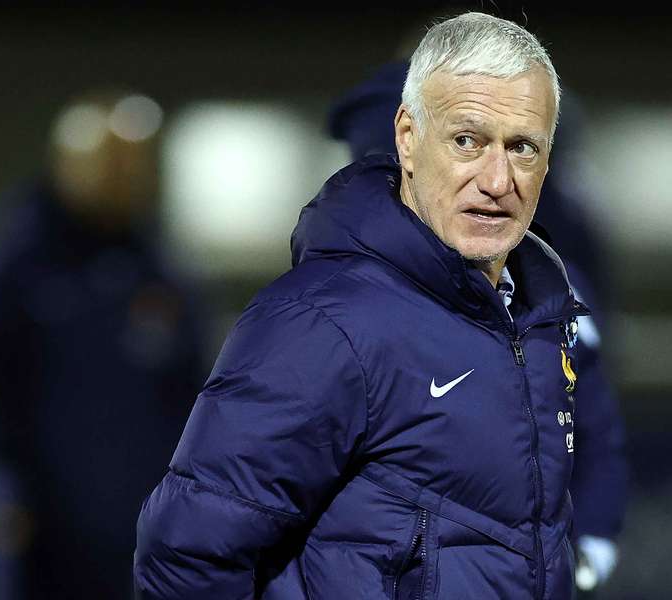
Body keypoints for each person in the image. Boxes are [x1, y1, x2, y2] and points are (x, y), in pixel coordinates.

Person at [136, 13, 587, 599]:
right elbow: (186, 553)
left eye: (522, 147)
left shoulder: (539, 318)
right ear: (407, 137)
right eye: (467, 141)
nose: (497, 180)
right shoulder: (321, 322)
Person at [327, 45, 628, 595]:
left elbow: (589, 424)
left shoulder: (546, 287)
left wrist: (592, 536)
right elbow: (235, 502)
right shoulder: (328, 304)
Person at [0, 90, 205, 600]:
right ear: (68, 163)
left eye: (133, 162)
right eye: (107, 161)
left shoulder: (162, 278)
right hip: (41, 530)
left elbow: (195, 392)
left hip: (138, 531)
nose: (121, 176)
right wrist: (3, 474)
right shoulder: (11, 269)